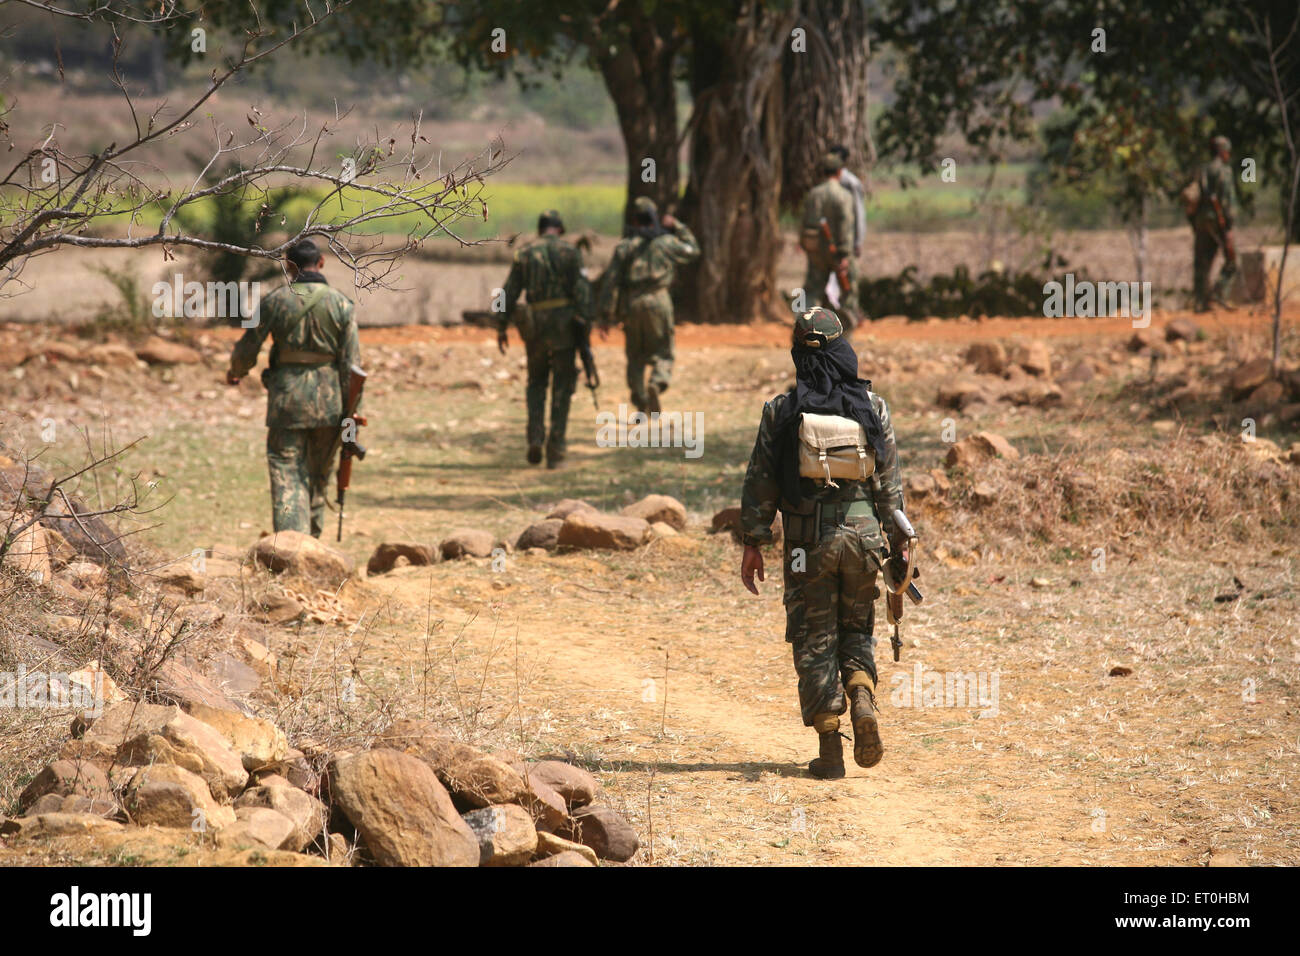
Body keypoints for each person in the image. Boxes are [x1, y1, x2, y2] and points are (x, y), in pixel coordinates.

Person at [738, 307, 905, 779]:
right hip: (864, 540)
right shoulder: (873, 408)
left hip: (805, 546)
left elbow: (761, 483)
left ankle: (830, 746)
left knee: (814, 640)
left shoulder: (781, 411)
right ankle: (860, 693)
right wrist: (900, 545)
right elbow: (889, 486)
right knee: (856, 628)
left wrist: (753, 540)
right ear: (841, 349)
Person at [226, 238, 361, 538]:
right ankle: (312, 547)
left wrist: (236, 372)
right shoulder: (342, 304)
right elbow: (352, 368)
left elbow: (248, 348)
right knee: (318, 477)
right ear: (321, 262)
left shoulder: (274, 301)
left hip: (286, 403)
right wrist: (352, 415)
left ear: (288, 266)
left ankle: (290, 549)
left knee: (288, 475)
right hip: (330, 405)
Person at [498, 209, 593, 469]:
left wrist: (501, 325)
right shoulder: (571, 253)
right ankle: (556, 449)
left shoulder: (525, 254)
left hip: (535, 326)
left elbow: (507, 292)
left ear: (540, 230)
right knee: (563, 386)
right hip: (564, 328)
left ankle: (536, 437)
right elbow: (583, 294)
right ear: (560, 230)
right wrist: (585, 328)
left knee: (536, 382)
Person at [596, 196, 699, 414]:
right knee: (664, 350)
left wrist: (605, 317)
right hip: (659, 301)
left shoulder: (624, 247)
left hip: (632, 305)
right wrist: (677, 226)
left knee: (635, 356)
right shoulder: (666, 243)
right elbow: (693, 250)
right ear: (655, 219)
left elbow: (610, 283)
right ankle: (657, 382)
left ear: (635, 220)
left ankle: (641, 400)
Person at [800, 154, 860, 329]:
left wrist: (808, 247)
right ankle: (846, 329)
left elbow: (804, 224)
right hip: (837, 251)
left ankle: (807, 328)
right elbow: (846, 227)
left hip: (816, 251)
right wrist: (845, 255)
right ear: (840, 172)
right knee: (849, 287)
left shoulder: (813, 194)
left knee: (813, 288)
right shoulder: (843, 195)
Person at [1190, 135, 1240, 312]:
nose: (1229, 154)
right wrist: (1228, 225)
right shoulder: (1223, 171)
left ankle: (1200, 302)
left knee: (1202, 262)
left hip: (1202, 222)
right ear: (1222, 151)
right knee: (1232, 260)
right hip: (1219, 222)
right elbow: (1226, 201)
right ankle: (1218, 294)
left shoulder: (1202, 170)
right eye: (1227, 151)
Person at [830, 144, 867, 259]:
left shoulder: (851, 182)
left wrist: (858, 241)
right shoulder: (828, 181)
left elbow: (858, 211)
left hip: (846, 236)